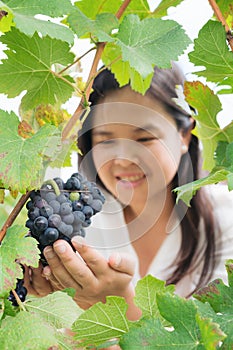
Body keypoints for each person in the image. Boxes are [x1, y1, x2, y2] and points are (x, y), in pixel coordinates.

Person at [24, 63, 233, 320]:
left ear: (185, 135)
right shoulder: (78, 226)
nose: (123, 159)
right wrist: (45, 296)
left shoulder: (228, 221)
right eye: (107, 140)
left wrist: (119, 307)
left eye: (144, 139)